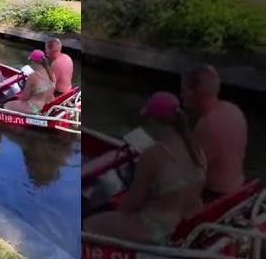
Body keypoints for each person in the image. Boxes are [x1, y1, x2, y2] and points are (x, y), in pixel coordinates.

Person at [84, 92, 206, 245]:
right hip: (182, 224)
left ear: (153, 120)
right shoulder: (196, 150)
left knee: (90, 223)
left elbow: (132, 204)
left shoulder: (153, 155)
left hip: (156, 229)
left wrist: (113, 208)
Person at [182, 64, 247, 201]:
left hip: (215, 195)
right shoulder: (234, 110)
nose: (182, 95)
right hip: (238, 186)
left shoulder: (207, 124)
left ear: (196, 91)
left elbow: (193, 172)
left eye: (184, 89)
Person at [4, 50, 55, 114]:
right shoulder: (51, 74)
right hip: (42, 105)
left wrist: (18, 96)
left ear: (33, 61)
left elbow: (25, 97)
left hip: (33, 107)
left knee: (7, 105)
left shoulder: (33, 76)